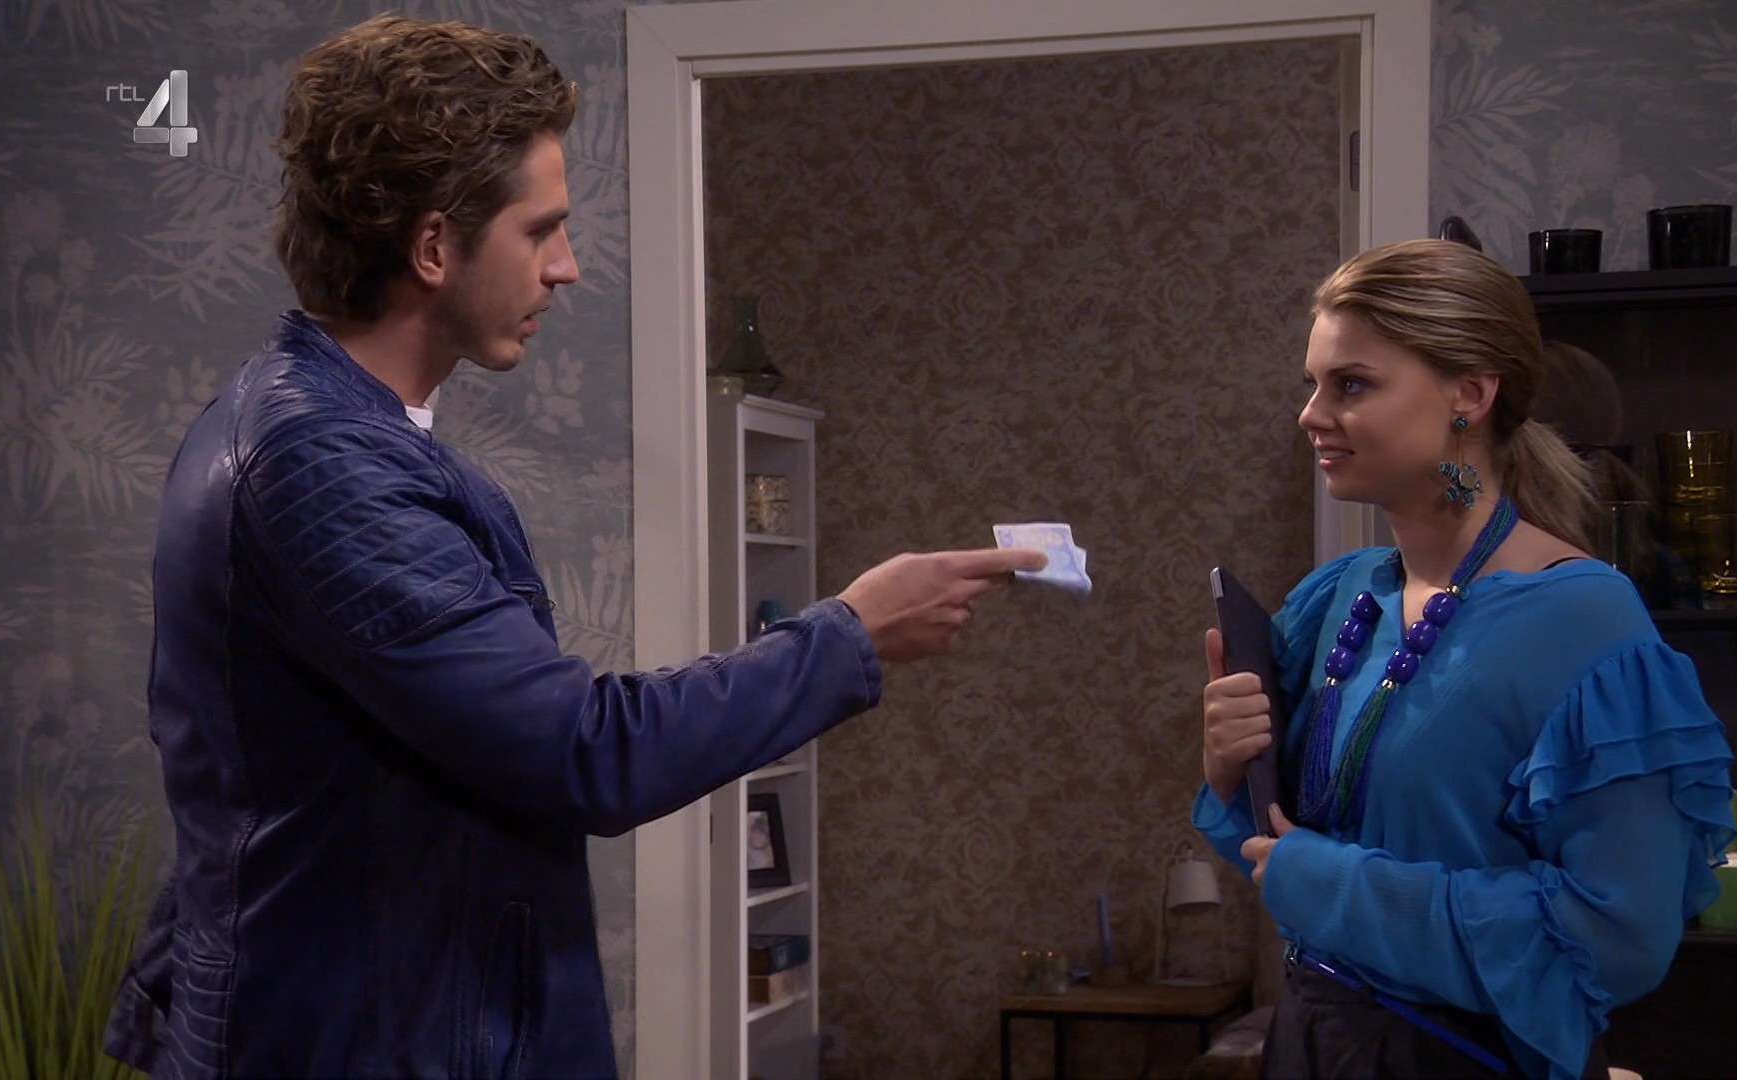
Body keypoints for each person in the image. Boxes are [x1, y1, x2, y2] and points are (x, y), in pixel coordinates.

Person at [103, 15, 1045, 1079]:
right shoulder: (322, 467)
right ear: (433, 247)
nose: (568, 267)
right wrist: (851, 634)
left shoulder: (336, 435)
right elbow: (581, 754)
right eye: (541, 230)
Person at [1192, 239, 1736, 1080]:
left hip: (1456, 1054)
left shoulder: (1584, 623)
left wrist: (1339, 886)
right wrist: (1231, 776)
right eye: (1313, 383)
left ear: (1471, 395)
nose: (1311, 415)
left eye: (1351, 385)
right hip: (1310, 1044)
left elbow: (1619, 936)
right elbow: (1284, 859)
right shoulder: (1337, 597)